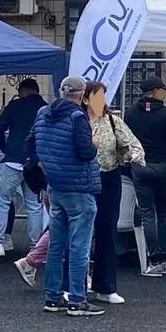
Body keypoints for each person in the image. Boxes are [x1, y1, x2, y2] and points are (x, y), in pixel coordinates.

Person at [26, 75, 102, 316]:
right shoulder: (77, 116)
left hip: (54, 186)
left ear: (60, 91)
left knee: (56, 243)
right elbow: (85, 152)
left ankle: (52, 296)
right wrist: (95, 143)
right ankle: (77, 300)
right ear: (81, 95)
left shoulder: (42, 113)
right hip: (79, 187)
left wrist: (44, 164)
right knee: (79, 245)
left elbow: (29, 145)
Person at [83, 81, 144, 304]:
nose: (102, 102)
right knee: (80, 233)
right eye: (97, 97)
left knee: (107, 231)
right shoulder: (77, 121)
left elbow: (133, 144)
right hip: (82, 180)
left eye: (104, 97)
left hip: (109, 177)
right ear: (85, 99)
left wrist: (133, 155)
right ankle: (76, 284)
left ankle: (106, 286)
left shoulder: (112, 121)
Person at [0, 79, 47, 260]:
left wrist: (5, 147)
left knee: (2, 200)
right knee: (34, 205)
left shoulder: (14, 106)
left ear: (23, 91)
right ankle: (35, 246)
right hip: (35, 162)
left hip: (12, 159)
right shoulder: (46, 108)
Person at [124, 76, 166, 274]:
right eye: (163, 90)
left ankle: (154, 259)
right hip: (162, 164)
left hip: (140, 165)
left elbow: (125, 141)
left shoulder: (131, 113)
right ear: (156, 91)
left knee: (147, 212)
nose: (165, 93)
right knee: (163, 212)